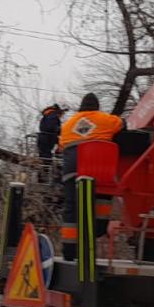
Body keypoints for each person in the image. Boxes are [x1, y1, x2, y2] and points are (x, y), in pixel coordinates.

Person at [57, 93, 124, 260]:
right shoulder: (106, 119)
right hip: (100, 169)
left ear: (81, 107)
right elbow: (124, 124)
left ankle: (70, 250)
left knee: (71, 208)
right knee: (103, 198)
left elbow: (61, 146)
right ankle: (97, 232)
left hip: (73, 169)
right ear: (97, 107)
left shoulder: (67, 125)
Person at [35, 104, 65, 182]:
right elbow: (51, 128)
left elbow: (48, 129)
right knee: (46, 160)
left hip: (44, 139)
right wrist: (61, 131)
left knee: (44, 159)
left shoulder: (46, 116)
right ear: (59, 112)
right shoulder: (53, 115)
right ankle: (43, 180)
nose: (61, 117)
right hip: (46, 139)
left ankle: (42, 179)